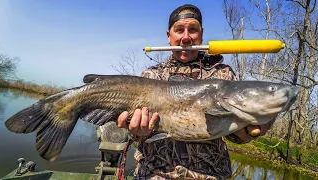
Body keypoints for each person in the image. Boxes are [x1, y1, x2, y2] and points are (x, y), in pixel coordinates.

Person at [117, 4, 274, 180]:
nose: (186, 37)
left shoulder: (223, 75)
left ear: (201, 34)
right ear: (169, 36)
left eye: (192, 30)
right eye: (179, 30)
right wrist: (136, 132)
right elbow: (134, 134)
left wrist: (248, 131)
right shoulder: (151, 76)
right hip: (153, 174)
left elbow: (235, 137)